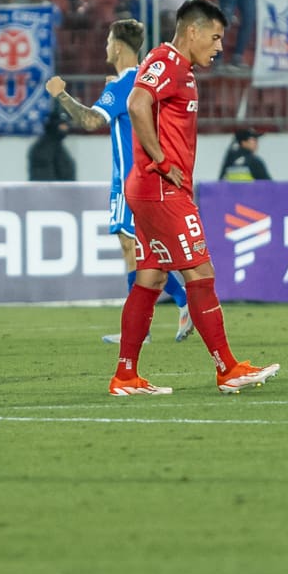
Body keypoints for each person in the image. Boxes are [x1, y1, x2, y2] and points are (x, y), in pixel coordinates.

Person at [109, 0, 279, 396]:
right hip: (162, 188)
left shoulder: (177, 67)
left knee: (150, 278)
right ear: (192, 32)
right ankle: (227, 368)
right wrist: (161, 158)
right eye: (215, 37)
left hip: (152, 189)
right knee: (200, 274)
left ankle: (125, 375)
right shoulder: (167, 62)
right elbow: (136, 103)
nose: (219, 47)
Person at [45, 19, 195, 345]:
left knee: (134, 251)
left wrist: (61, 95)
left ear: (117, 46)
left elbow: (89, 120)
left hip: (131, 181)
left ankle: (144, 328)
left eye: (108, 40)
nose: (105, 47)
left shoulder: (122, 85)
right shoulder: (146, 80)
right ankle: (176, 305)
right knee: (142, 252)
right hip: (146, 177)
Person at [28, 101, 78, 180]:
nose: (66, 128)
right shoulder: (42, 148)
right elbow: (44, 179)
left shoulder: (57, 146)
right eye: (63, 125)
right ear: (55, 125)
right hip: (52, 191)